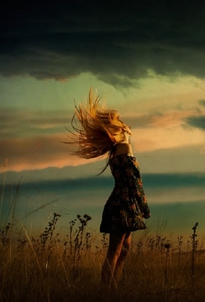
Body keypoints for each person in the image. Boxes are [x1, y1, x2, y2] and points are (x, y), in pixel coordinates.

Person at [68, 88, 150, 287]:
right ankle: (106, 292)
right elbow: (134, 182)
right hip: (124, 205)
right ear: (120, 131)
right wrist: (144, 207)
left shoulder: (116, 152)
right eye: (124, 126)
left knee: (123, 249)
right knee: (116, 250)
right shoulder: (125, 150)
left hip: (123, 204)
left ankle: (113, 288)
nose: (128, 128)